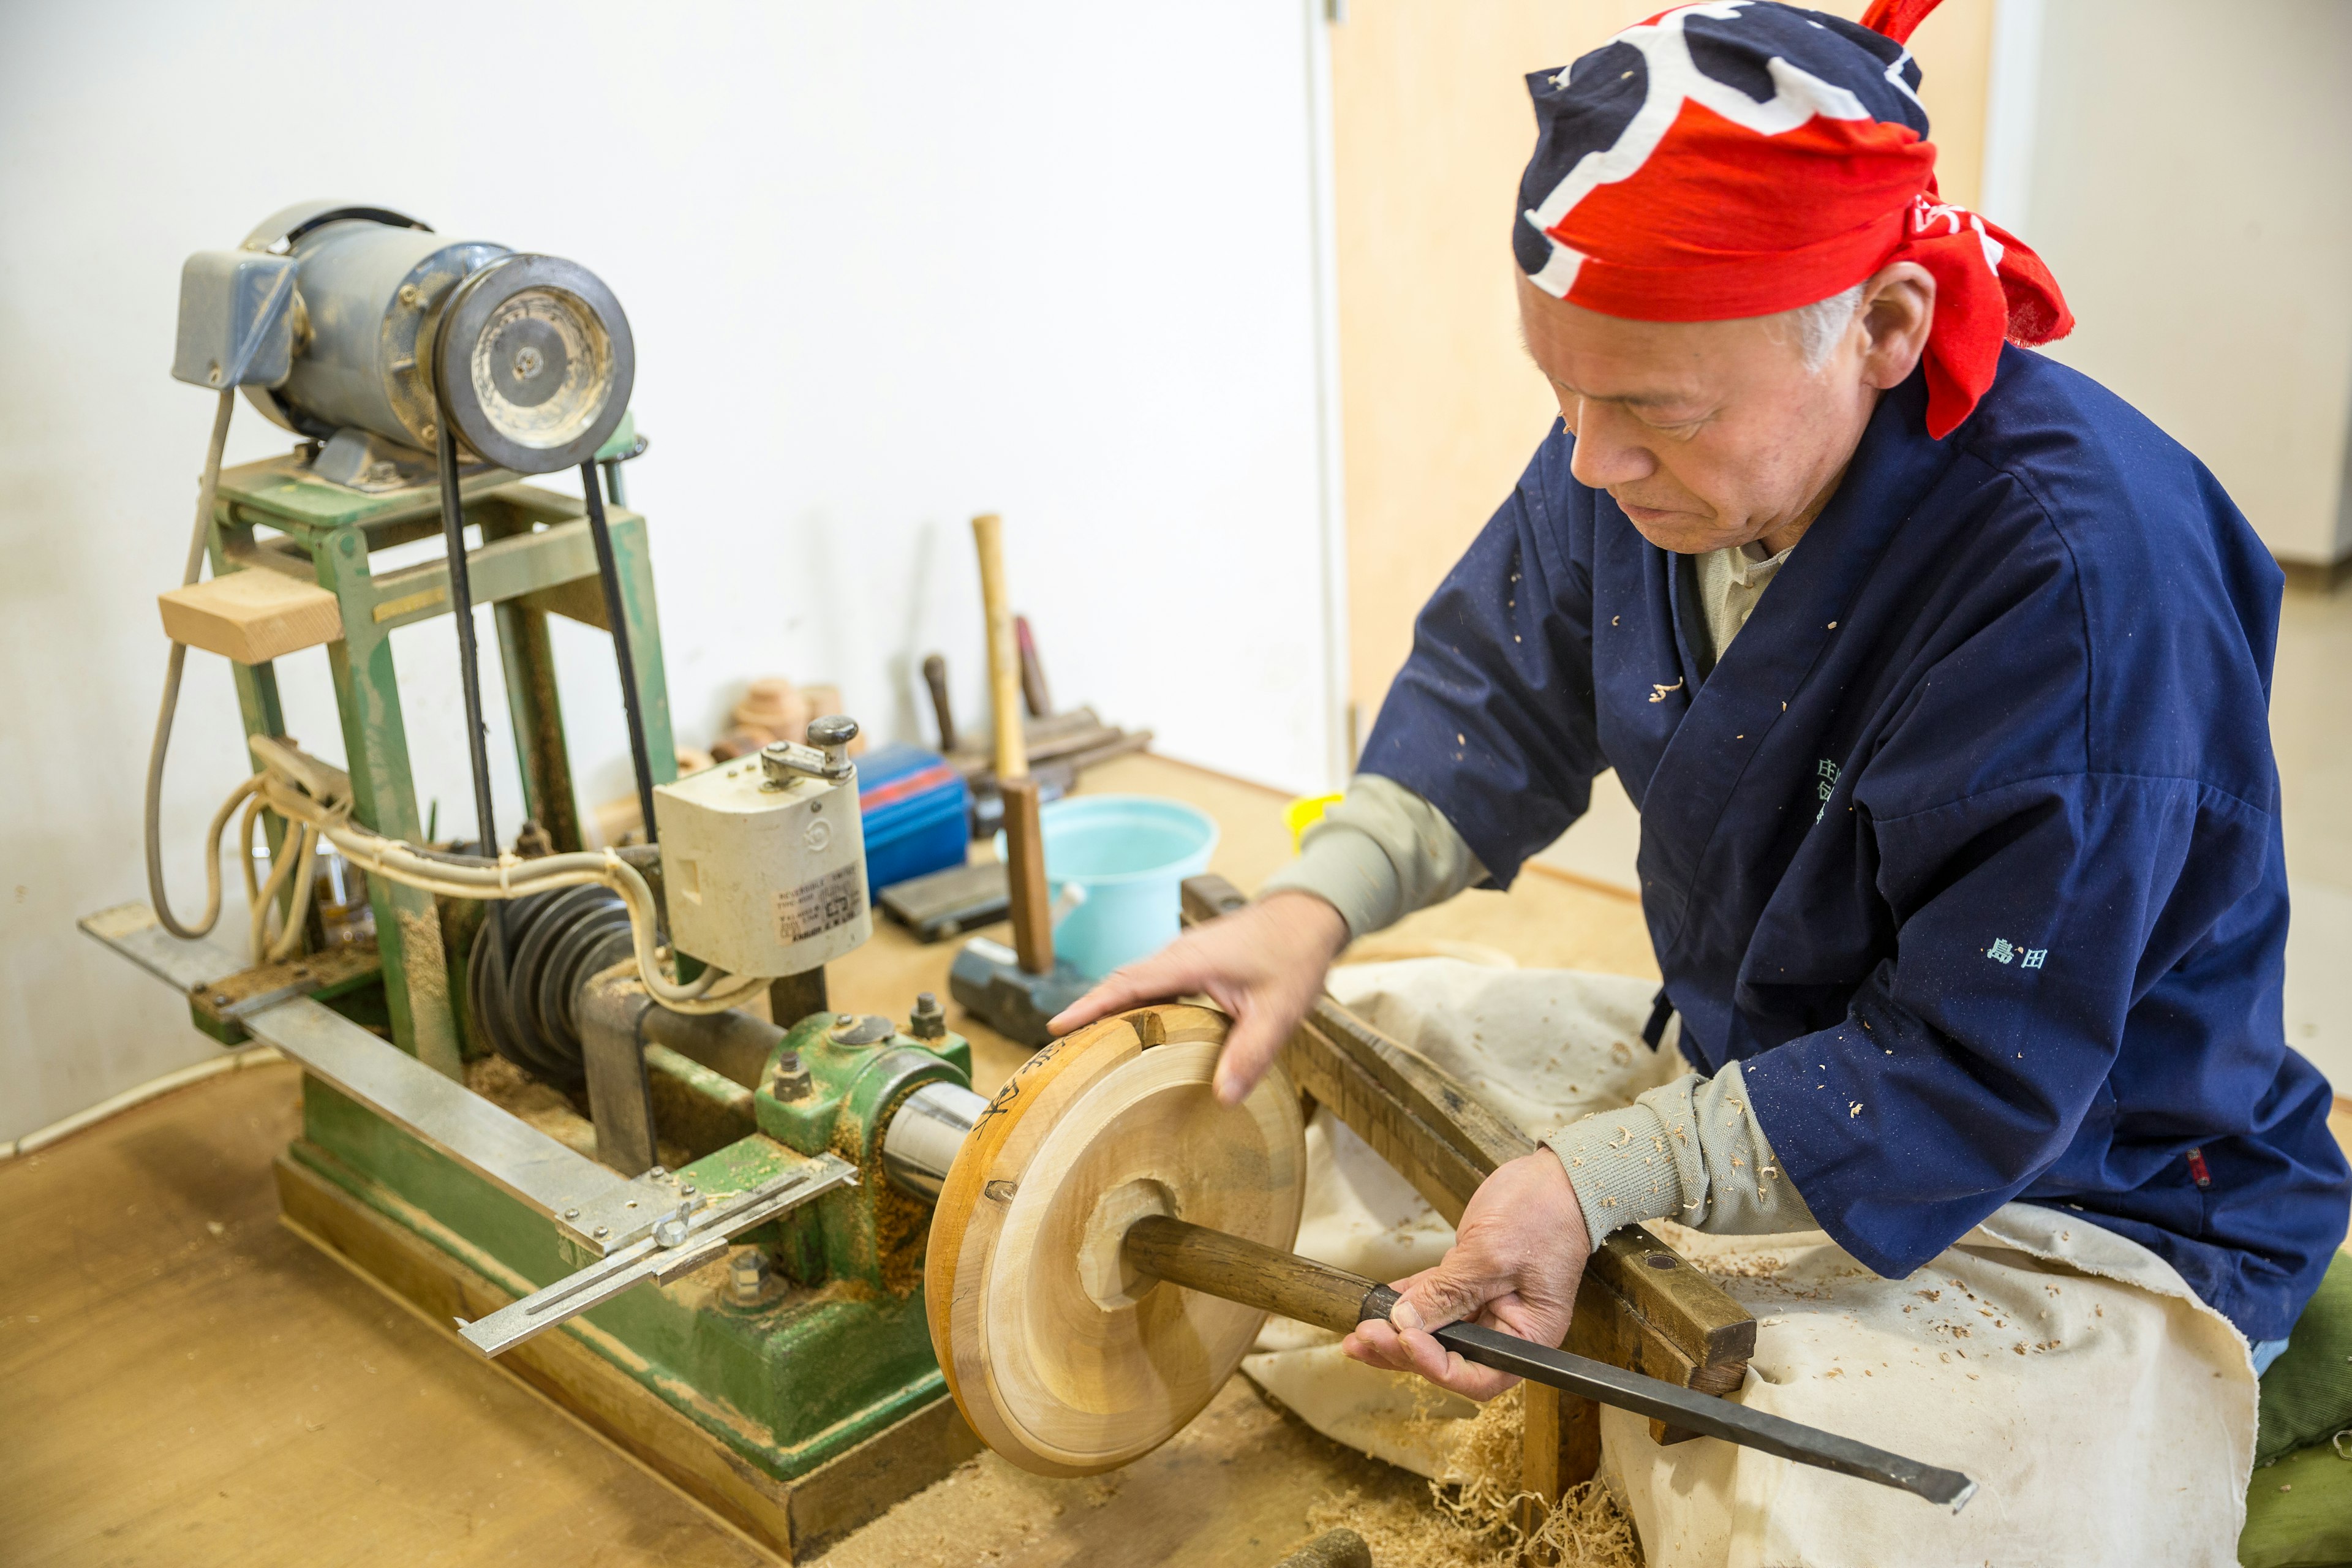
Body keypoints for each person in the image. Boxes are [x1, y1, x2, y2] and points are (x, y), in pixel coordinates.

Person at [1055, 0, 2350, 1557]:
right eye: (1563, 399)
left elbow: (1971, 1057)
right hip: (1760, 1059)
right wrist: (1307, 908)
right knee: (1327, 1070)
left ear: (1879, 328)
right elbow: (1501, 687)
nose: (1591, 463)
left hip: (2068, 1186)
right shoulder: (1645, 443)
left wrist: (1601, 1171)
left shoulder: (2081, 587)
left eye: (1650, 413)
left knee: (1809, 1513)